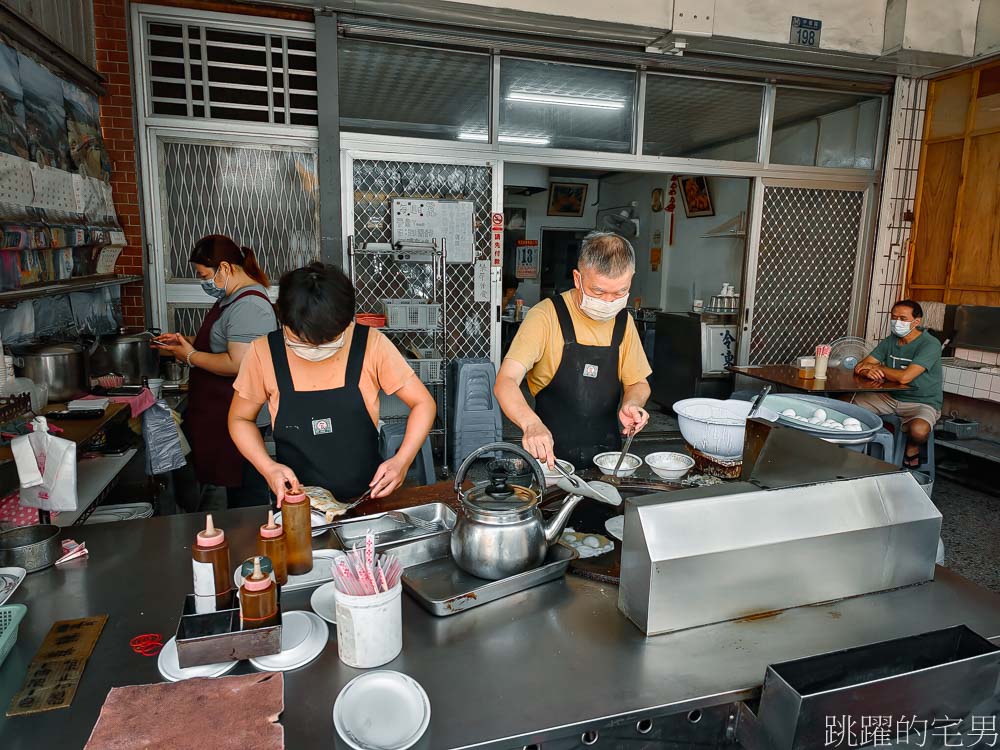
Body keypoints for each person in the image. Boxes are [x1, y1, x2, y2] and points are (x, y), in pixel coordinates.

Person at [229, 262, 436, 504]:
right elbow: (239, 419)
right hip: (295, 503)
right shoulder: (263, 353)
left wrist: (402, 460)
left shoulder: (370, 344)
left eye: (328, 340)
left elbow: (423, 403)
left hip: (365, 499)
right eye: (303, 340)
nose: (316, 348)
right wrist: (267, 467)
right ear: (284, 319)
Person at [494, 231, 652, 467]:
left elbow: (638, 383)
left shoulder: (623, 321)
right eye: (598, 291)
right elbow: (505, 381)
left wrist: (633, 403)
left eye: (620, 292)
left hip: (607, 459)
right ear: (578, 279)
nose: (609, 302)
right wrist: (530, 424)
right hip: (550, 457)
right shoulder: (545, 316)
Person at [154, 234, 277, 508]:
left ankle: (254, 537)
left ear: (225, 268)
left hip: (242, 412)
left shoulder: (250, 305)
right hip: (225, 409)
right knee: (236, 489)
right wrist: (187, 342)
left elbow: (238, 363)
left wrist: (191, 356)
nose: (203, 282)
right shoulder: (230, 299)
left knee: (247, 492)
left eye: (204, 274)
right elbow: (222, 344)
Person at [852, 299, 942, 468]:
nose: (897, 322)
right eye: (894, 317)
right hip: (888, 397)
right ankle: (850, 451)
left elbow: (905, 378)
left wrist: (879, 368)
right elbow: (861, 365)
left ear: (916, 322)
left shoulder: (930, 344)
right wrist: (867, 370)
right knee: (845, 405)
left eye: (902, 318)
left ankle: (912, 448)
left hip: (921, 401)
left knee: (919, 431)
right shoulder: (890, 341)